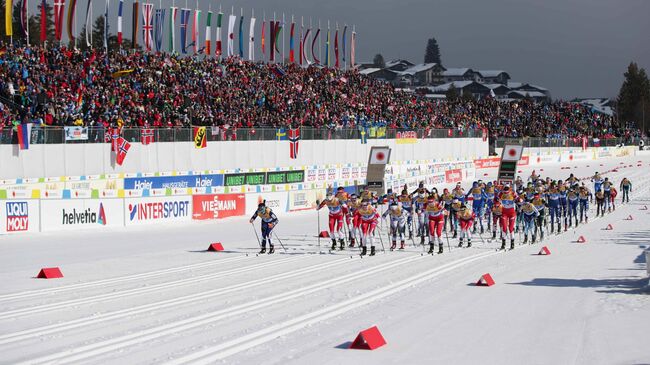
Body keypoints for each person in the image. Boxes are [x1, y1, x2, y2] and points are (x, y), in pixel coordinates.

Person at [499, 184, 518, 250]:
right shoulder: (501, 193)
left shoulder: (513, 193)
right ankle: (503, 244)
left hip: (512, 213)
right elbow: (496, 199)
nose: (506, 192)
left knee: (510, 228)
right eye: (505, 190)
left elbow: (518, 199)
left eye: (507, 190)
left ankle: (512, 244)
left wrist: (517, 200)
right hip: (504, 213)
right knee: (504, 228)